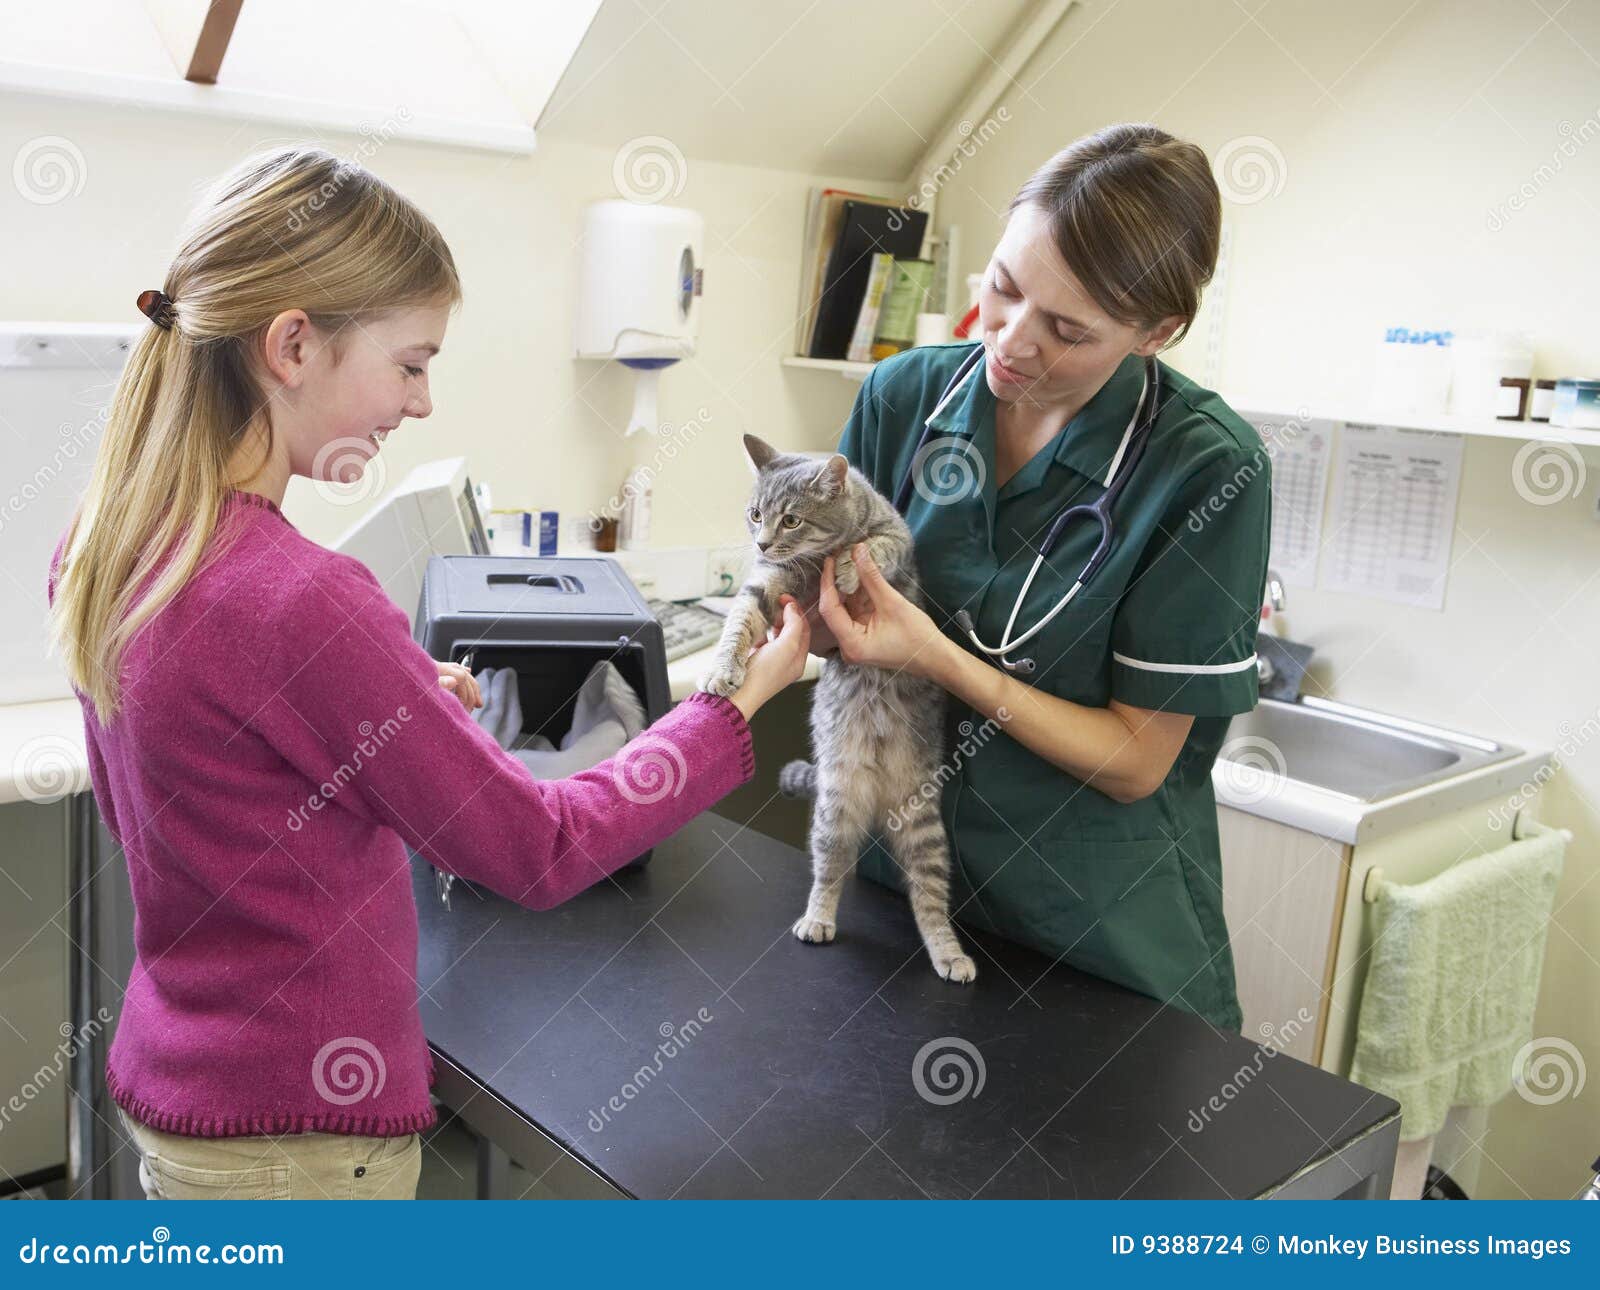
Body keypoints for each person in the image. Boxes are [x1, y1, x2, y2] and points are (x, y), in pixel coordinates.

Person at [47, 145, 809, 1199]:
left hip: (188, 1101)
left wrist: (373, 726)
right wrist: (730, 707)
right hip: (300, 1143)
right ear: (293, 345)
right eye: (409, 363)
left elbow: (189, 808)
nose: (420, 404)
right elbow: (540, 849)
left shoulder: (111, 544)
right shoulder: (298, 598)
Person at [803, 123, 1271, 1032]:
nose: (1011, 343)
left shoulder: (1207, 469)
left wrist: (936, 656)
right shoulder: (904, 399)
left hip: (1098, 945)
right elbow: (830, 613)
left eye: (1068, 329)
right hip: (902, 910)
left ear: (1157, 332)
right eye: (1005, 288)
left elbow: (1137, 761)